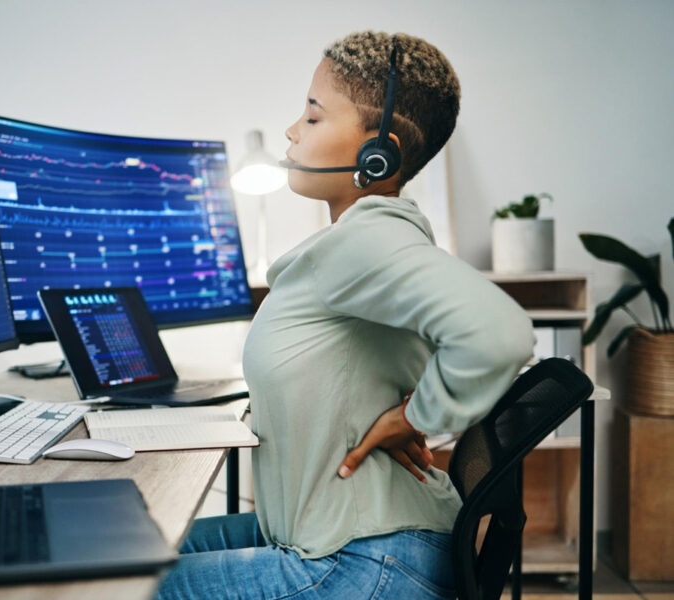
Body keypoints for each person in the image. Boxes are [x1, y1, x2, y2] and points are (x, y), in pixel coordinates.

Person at [156, 31, 535, 600]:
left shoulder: (367, 236)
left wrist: (417, 414)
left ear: (375, 152)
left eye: (312, 117)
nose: (291, 131)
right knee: (134, 547)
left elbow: (498, 333)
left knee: (116, 584)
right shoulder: (365, 240)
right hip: (351, 539)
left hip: (367, 558)